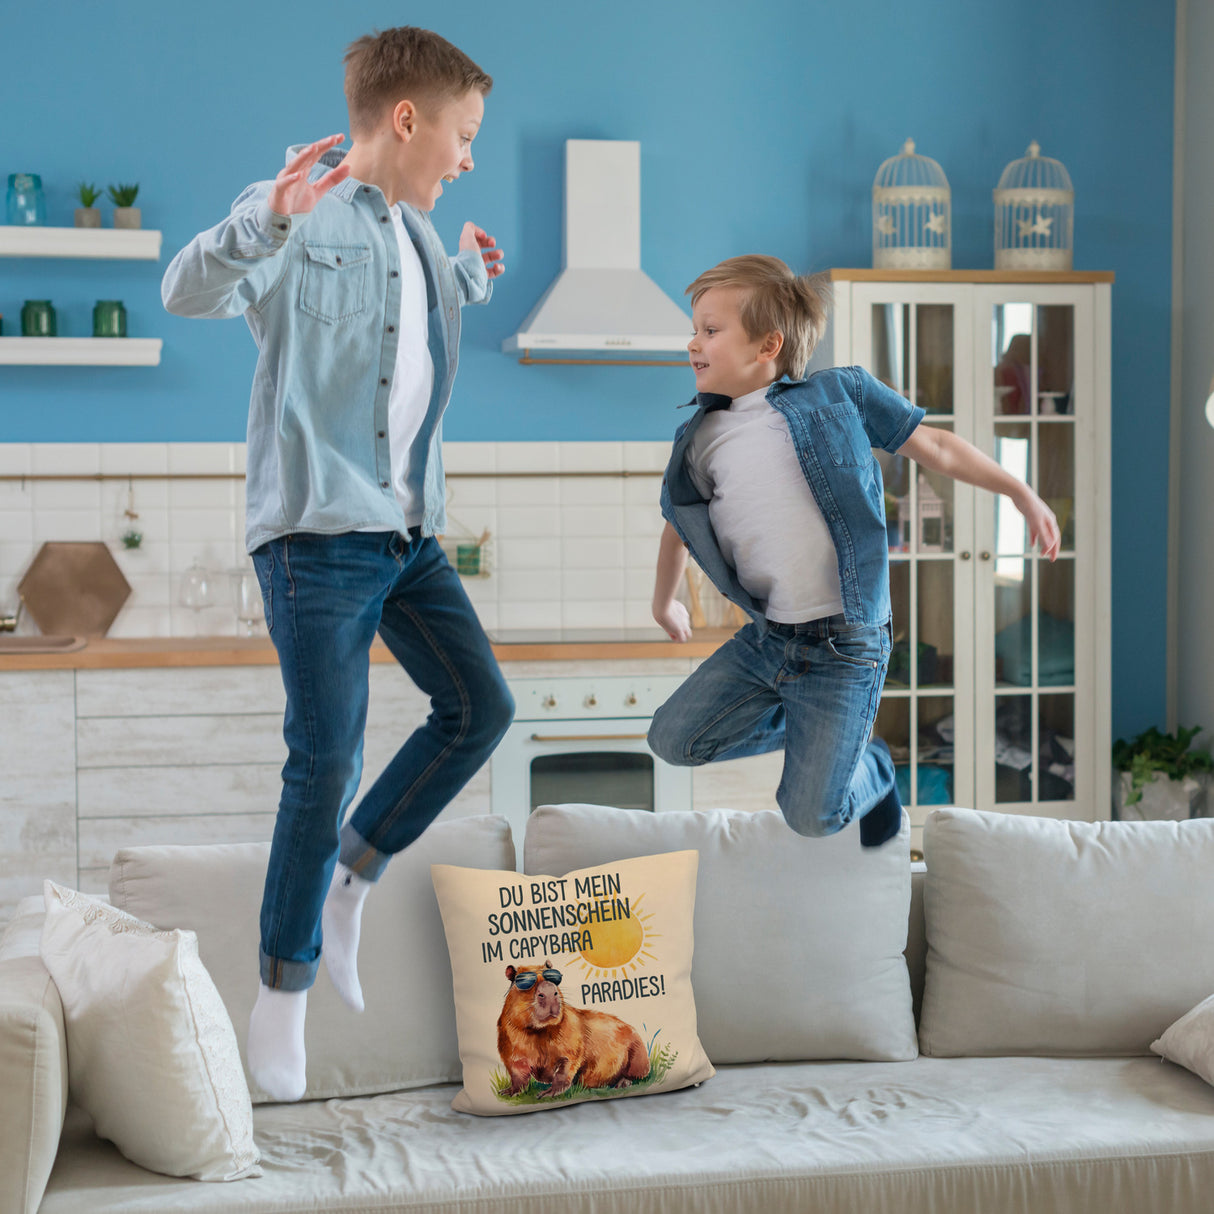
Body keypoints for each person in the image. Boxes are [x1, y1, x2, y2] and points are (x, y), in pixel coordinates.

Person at [161, 26, 514, 1101]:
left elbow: (401, 348)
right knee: (326, 754)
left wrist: (468, 277)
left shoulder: (416, 237)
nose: (465, 158)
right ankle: (281, 989)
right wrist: (263, 218)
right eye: (461, 135)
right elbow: (186, 290)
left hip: (406, 532)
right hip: (315, 531)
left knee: (478, 708)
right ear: (405, 118)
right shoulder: (297, 217)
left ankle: (354, 874)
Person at [649, 255, 1060, 847]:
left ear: (769, 344)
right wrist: (665, 601)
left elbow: (937, 446)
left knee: (810, 816)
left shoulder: (840, 393)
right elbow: (678, 523)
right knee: (673, 739)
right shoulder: (701, 440)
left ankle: (872, 767)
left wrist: (1019, 491)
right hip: (770, 640)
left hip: (846, 646)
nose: (693, 342)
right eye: (694, 329)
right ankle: (824, 735)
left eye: (710, 330)